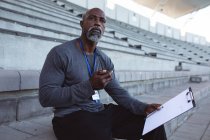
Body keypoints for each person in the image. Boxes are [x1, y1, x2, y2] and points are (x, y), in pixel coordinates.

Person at [39, 8, 167, 140]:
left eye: (102, 20)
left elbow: (118, 93)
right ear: (82, 24)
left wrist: (144, 108)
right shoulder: (60, 53)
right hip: (71, 116)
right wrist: (89, 86)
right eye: (92, 18)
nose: (97, 23)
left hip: (99, 111)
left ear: (104, 28)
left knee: (154, 122)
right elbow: (46, 97)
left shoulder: (104, 59)